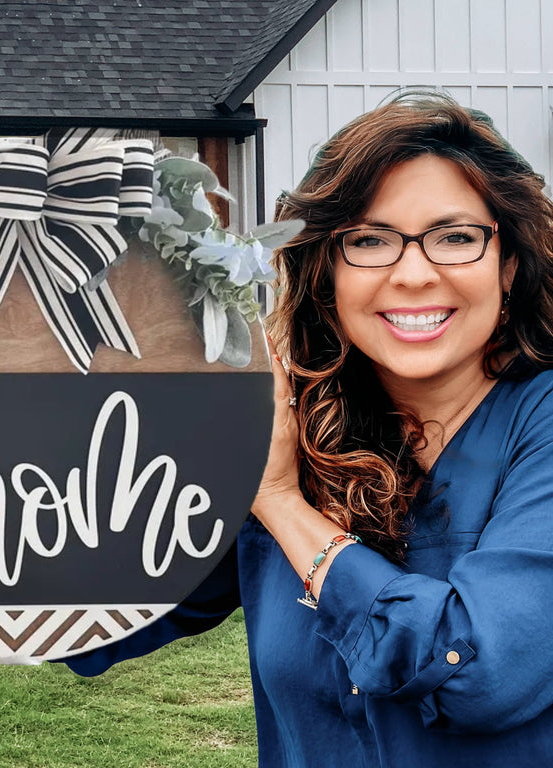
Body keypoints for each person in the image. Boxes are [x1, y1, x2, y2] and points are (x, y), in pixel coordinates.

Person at [62, 92, 553, 766]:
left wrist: (281, 503)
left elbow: (477, 673)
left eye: (455, 237)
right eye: (370, 240)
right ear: (327, 272)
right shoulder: (295, 421)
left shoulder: (538, 427)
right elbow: (87, 618)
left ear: (510, 264)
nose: (413, 274)